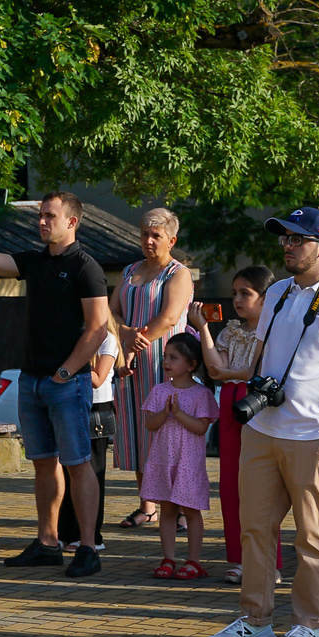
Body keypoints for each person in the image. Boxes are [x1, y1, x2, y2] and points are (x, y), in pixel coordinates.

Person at [203, 207, 319, 637]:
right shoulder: (277, 292)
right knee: (255, 530)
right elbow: (262, 361)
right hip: (263, 429)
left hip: (315, 435)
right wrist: (225, 374)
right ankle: (256, 622)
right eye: (284, 239)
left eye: (297, 240)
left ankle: (307, 626)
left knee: (312, 536)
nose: (288, 247)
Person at [0, 191, 113, 577]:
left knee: (78, 463)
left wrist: (66, 372)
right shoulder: (33, 261)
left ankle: (86, 547)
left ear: (72, 222)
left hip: (67, 383)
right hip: (32, 380)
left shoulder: (86, 267)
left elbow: (99, 328)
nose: (42, 222)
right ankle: (48, 542)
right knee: (43, 465)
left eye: (50, 216)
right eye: (40, 216)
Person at [111, 208, 196, 533]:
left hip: (166, 364)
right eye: (145, 233)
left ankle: (182, 507)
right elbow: (112, 310)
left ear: (171, 240)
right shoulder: (130, 270)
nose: (148, 240)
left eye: (156, 235)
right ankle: (148, 506)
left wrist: (136, 339)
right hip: (131, 366)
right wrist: (124, 335)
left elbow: (170, 317)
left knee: (171, 434)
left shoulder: (178, 273)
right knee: (137, 432)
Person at [195, 266, 272, 579]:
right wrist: (202, 329)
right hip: (230, 402)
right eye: (235, 293)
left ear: (265, 298)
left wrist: (230, 375)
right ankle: (238, 559)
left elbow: (255, 374)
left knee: (262, 485)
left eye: (246, 293)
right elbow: (216, 370)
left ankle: (267, 562)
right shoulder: (229, 331)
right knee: (230, 483)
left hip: (257, 405)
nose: (238, 299)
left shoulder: (273, 332)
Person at [141, 335, 217, 580]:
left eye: (174, 357)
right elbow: (150, 424)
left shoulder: (201, 394)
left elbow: (200, 427)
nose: (166, 361)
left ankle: (194, 560)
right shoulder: (159, 391)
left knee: (192, 511)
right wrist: (164, 412)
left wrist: (178, 413)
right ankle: (168, 558)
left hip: (188, 462)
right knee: (167, 510)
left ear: (191, 364)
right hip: (164, 459)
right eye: (165, 356)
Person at [53, 325, 121, 554]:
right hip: (71, 401)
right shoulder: (71, 335)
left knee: (92, 472)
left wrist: (69, 363)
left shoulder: (107, 338)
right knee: (67, 471)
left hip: (96, 408)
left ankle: (92, 535)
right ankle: (65, 532)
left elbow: (99, 378)